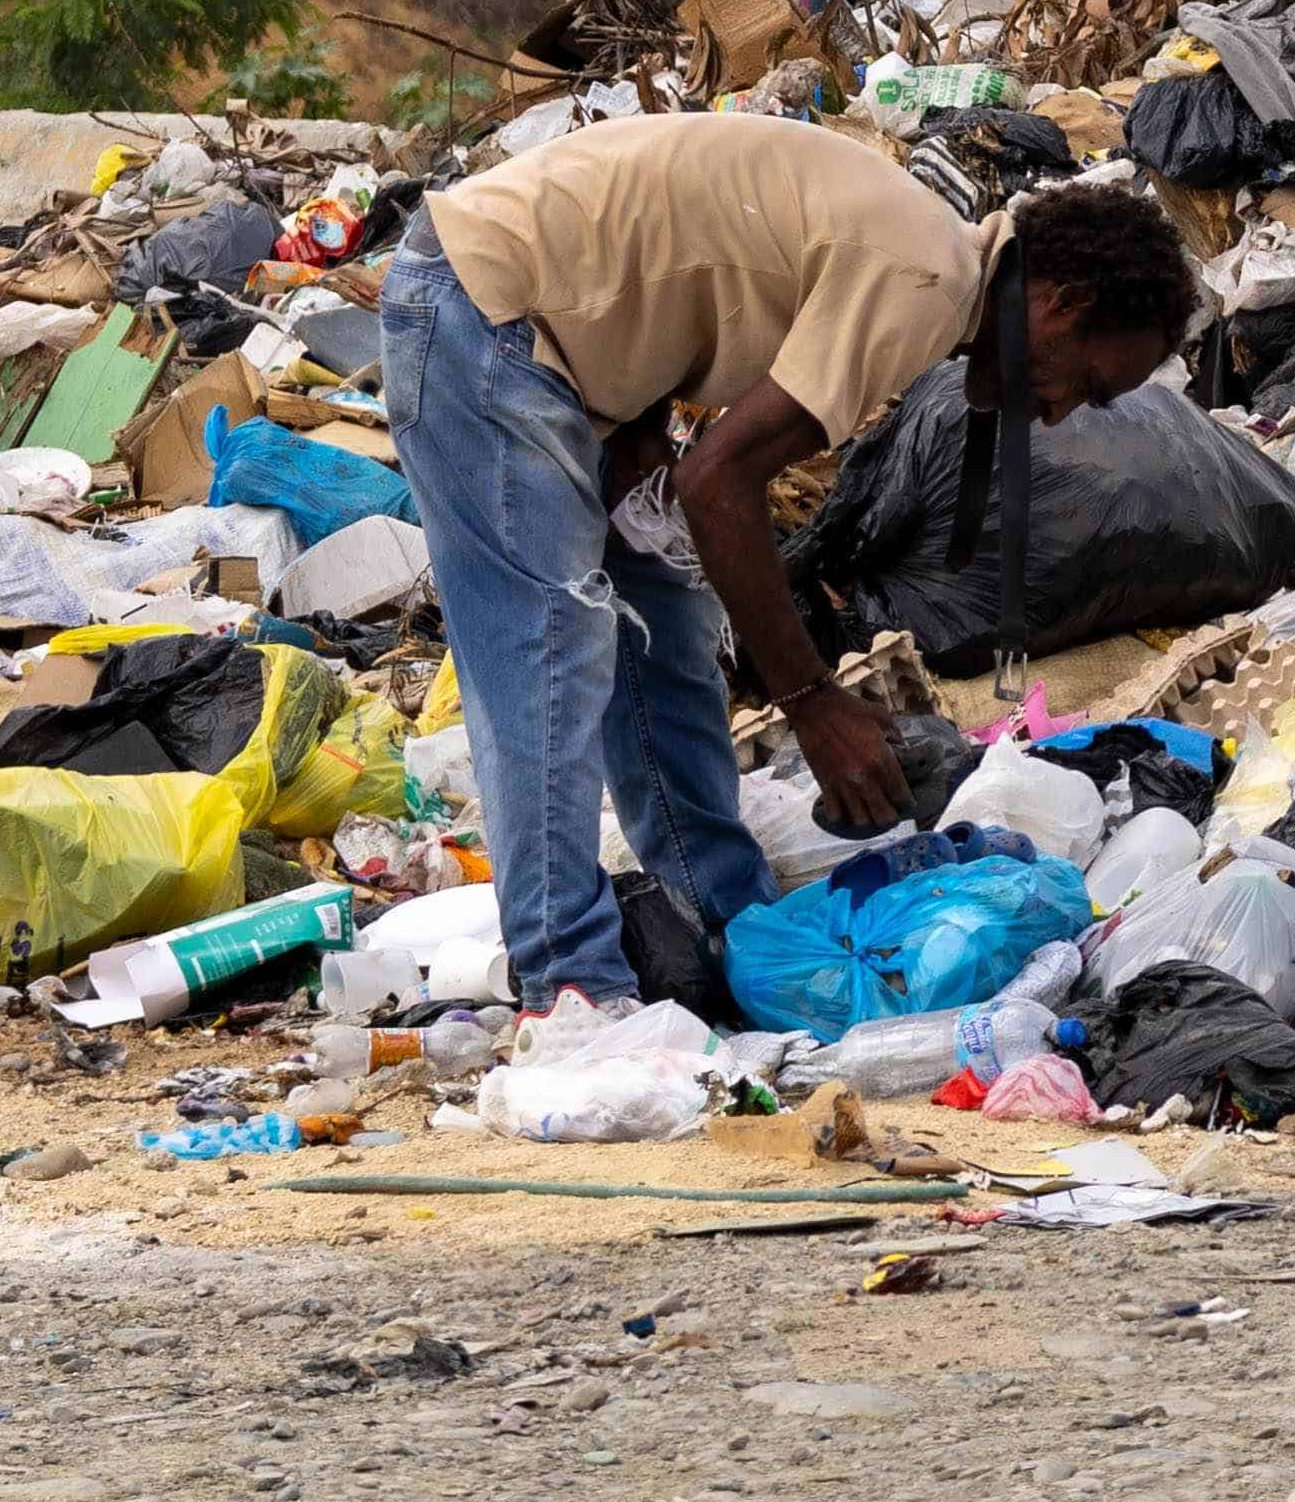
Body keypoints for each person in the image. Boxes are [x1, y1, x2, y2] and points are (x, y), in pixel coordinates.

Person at [379, 110, 1197, 1012]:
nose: (1055, 413)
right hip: (485, 308)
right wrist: (812, 703)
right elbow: (719, 481)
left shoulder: (932, 266)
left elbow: (687, 276)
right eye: (1082, 382)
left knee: (665, 631)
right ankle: (573, 985)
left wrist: (645, 426)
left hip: (568, 346)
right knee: (550, 648)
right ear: (1061, 306)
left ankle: (732, 925)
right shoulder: (923, 278)